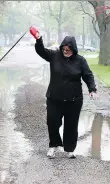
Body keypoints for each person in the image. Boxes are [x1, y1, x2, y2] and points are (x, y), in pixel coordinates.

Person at [30, 27, 98, 159]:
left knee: (71, 125)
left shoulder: (80, 60)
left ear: (74, 49)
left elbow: (88, 75)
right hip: (54, 99)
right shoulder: (54, 56)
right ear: (61, 48)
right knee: (52, 122)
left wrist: (92, 89)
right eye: (64, 49)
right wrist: (39, 39)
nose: (66, 52)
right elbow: (41, 51)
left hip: (74, 100)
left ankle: (69, 149)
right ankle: (54, 145)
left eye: (68, 50)